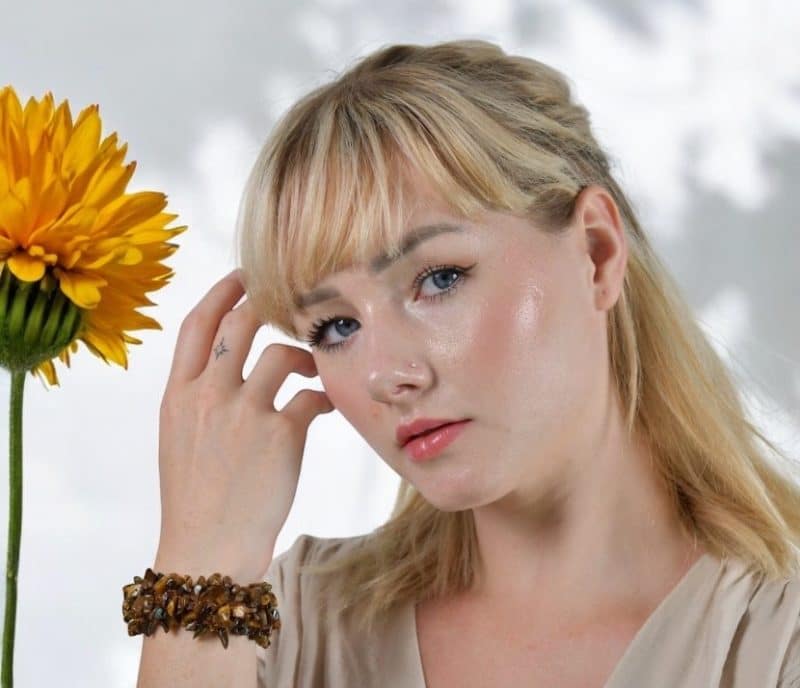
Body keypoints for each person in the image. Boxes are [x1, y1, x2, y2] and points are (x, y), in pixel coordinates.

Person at [136, 40, 800, 687]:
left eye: (440, 279)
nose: (386, 374)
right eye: (337, 326)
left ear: (596, 253)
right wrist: (200, 557)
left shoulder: (777, 638)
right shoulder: (293, 627)